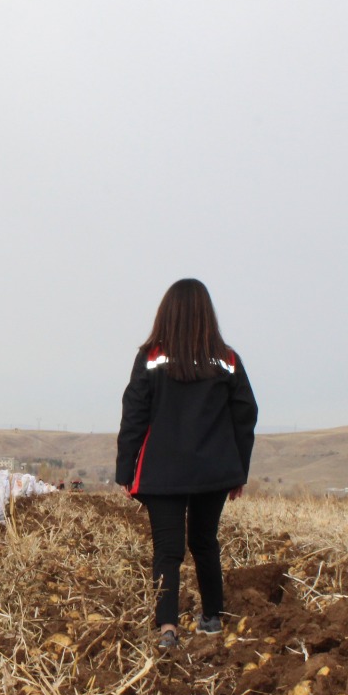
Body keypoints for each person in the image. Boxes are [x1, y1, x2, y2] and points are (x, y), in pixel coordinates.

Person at [115, 278, 258, 650]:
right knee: (204, 542)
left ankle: (167, 630)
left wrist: (126, 471)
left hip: (162, 471)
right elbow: (246, 415)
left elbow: (134, 413)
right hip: (213, 471)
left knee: (168, 549)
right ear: (207, 314)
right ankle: (212, 618)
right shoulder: (226, 360)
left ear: (167, 312)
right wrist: (238, 470)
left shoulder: (151, 357)